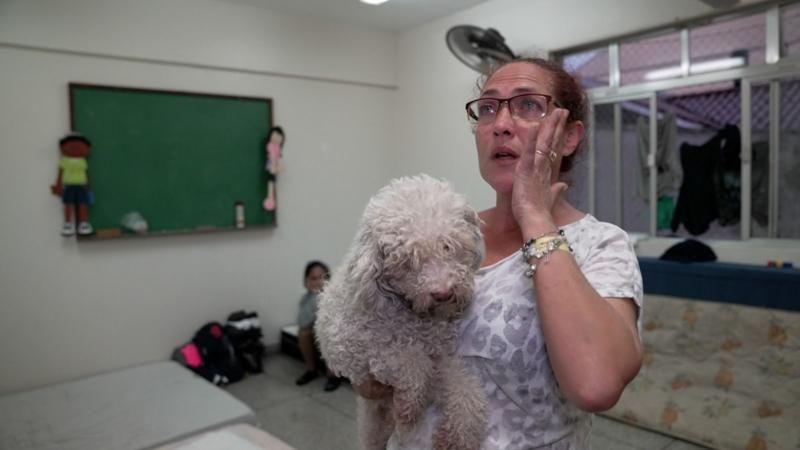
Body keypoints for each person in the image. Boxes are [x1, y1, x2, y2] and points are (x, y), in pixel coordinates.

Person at [356, 57, 644, 449]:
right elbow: (376, 342)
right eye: (488, 108)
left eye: (528, 105)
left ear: (570, 137)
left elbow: (596, 385)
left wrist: (534, 215)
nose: (501, 124)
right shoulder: (448, 232)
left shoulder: (602, 244)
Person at [295, 260, 343, 392]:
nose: (318, 282)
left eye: (322, 277)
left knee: (327, 332)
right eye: (314, 278)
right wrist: (315, 297)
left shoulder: (336, 295)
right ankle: (311, 370)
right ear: (307, 281)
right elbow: (303, 323)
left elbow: (335, 322)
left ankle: (333, 375)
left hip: (334, 330)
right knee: (303, 333)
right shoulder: (306, 298)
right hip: (317, 329)